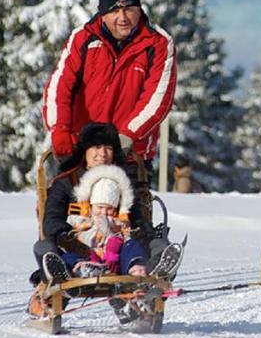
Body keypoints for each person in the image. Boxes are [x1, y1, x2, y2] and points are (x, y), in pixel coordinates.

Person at [42, 0, 178, 212]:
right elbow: (59, 86)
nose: (123, 17)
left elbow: (157, 100)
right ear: (103, 14)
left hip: (129, 153)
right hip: (81, 152)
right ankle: (59, 247)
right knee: (68, 216)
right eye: (115, 10)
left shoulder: (158, 44)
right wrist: (60, 129)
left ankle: (139, 248)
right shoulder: (82, 39)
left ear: (139, 9)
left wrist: (125, 138)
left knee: (129, 221)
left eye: (129, 8)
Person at [33, 122, 182, 286]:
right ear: (85, 151)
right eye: (96, 147)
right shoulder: (66, 182)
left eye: (108, 148)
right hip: (78, 246)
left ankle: (154, 268)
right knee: (44, 246)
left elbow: (138, 219)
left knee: (147, 243)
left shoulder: (123, 183)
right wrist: (67, 235)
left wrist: (146, 237)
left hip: (118, 247)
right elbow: (52, 218)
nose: (102, 153)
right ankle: (61, 270)